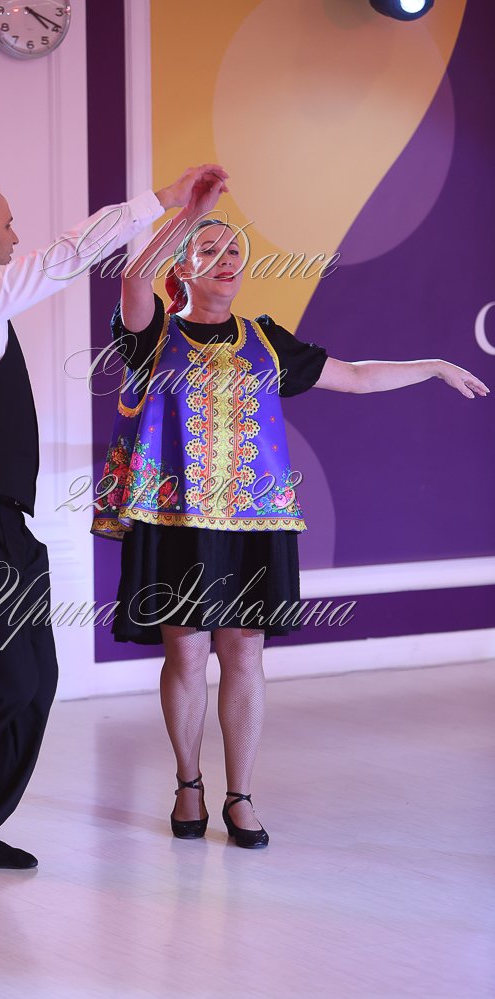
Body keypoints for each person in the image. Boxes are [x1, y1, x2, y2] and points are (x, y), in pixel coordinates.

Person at [92, 172, 489, 849]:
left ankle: (240, 794)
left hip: (255, 523)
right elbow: (133, 278)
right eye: (208, 250)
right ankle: (188, 783)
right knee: (186, 654)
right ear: (180, 269)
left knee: (244, 653)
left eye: (234, 251)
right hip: (174, 520)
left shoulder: (267, 340)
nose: (226, 260)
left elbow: (356, 376)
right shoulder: (150, 335)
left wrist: (428, 364)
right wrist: (188, 216)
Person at [0, 164, 222, 869]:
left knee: (35, 684)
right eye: (6, 225)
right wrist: (167, 199)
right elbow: (69, 254)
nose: (13, 236)